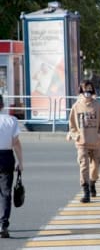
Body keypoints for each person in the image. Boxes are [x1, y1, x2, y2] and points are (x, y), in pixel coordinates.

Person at [68, 80, 100, 203]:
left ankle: (92, 182)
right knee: (84, 166)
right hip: (82, 143)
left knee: (95, 167)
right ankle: (86, 192)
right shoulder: (76, 106)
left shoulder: (98, 105)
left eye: (90, 89)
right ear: (81, 91)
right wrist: (76, 135)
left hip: (96, 142)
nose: (88, 92)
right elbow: (72, 125)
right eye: (85, 90)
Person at [0, 95, 23, 238]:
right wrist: (21, 162)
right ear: (2, 105)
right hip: (6, 157)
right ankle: (3, 224)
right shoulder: (11, 120)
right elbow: (16, 143)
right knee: (5, 192)